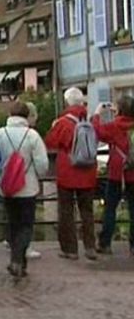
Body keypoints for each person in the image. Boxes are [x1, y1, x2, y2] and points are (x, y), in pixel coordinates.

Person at [0, 102, 49, 277]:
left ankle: (18, 262)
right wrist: (37, 175)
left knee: (12, 222)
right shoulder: (32, 135)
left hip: (7, 186)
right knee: (26, 226)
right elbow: (42, 164)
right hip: (27, 187)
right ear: (26, 116)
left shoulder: (0, 133)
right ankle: (18, 260)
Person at [45, 88, 98, 261]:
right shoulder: (89, 120)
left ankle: (70, 249)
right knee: (87, 211)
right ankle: (90, 246)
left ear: (67, 101)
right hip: (88, 171)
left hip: (68, 172)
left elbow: (50, 142)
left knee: (66, 212)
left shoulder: (63, 122)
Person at [92, 96, 134, 255]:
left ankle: (105, 243)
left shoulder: (115, 126)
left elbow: (97, 131)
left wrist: (98, 114)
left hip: (117, 173)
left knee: (110, 208)